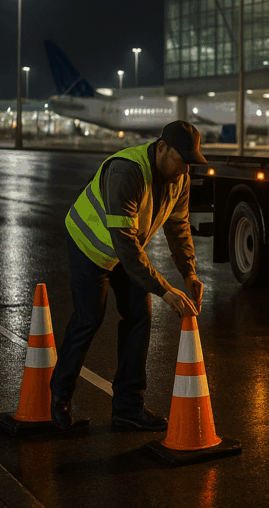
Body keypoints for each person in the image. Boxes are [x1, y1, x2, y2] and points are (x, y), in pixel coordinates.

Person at [50, 121, 206, 431]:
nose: (185, 168)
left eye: (190, 162)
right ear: (162, 148)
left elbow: (178, 227)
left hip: (127, 250)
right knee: (89, 318)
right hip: (90, 244)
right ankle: (59, 398)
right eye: (181, 159)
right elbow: (124, 244)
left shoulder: (179, 179)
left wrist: (189, 273)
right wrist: (165, 289)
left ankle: (127, 408)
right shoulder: (127, 171)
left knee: (139, 316)